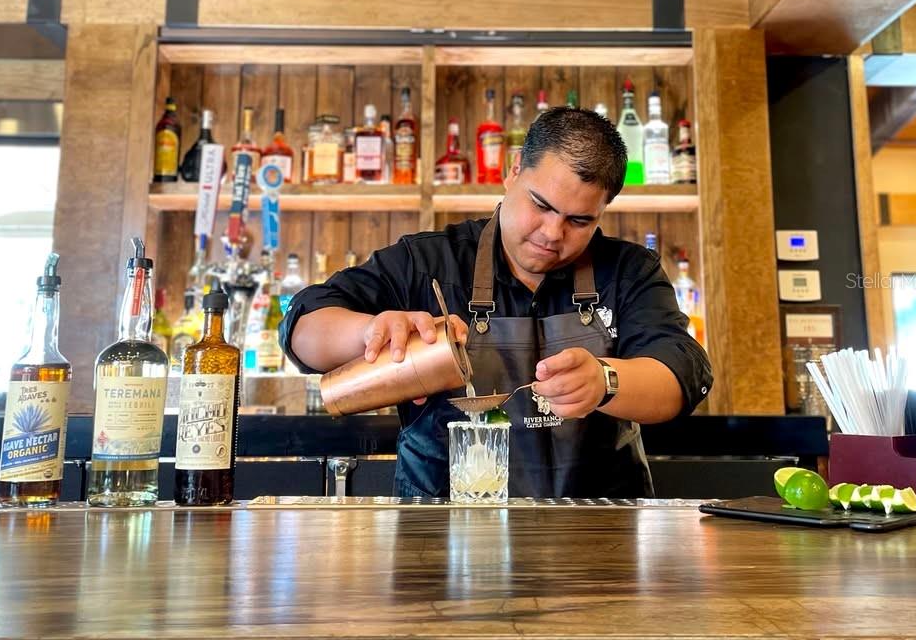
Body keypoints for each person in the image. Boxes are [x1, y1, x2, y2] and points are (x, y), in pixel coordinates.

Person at [280, 107, 713, 498]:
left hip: (599, 531)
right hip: (439, 530)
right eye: (541, 205)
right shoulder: (427, 262)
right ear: (513, 170)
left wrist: (606, 380)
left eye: (579, 220)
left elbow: (680, 373)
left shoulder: (628, 271)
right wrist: (368, 332)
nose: (552, 233)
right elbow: (301, 325)